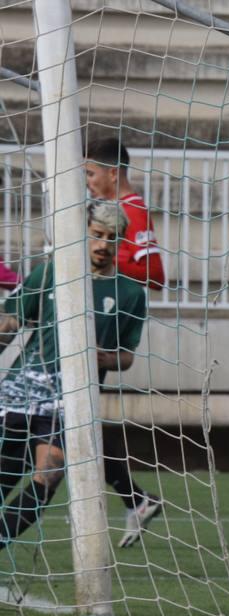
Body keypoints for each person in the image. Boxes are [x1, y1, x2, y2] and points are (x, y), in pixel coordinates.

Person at [0, 202, 147, 557]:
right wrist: (7, 326)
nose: (102, 245)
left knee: (48, 477)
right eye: (96, 235)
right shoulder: (51, 273)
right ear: (84, 233)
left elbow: (126, 357)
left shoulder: (130, 294)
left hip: (70, 399)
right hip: (20, 389)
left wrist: (106, 357)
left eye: (112, 239)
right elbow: (11, 320)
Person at [84, 135, 165, 548]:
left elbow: (154, 273)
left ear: (113, 174)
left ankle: (135, 497)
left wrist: (97, 261)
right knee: (75, 425)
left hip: (105, 322)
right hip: (94, 315)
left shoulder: (131, 212)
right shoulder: (115, 211)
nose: (88, 182)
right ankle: (135, 498)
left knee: (72, 425)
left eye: (91, 173)